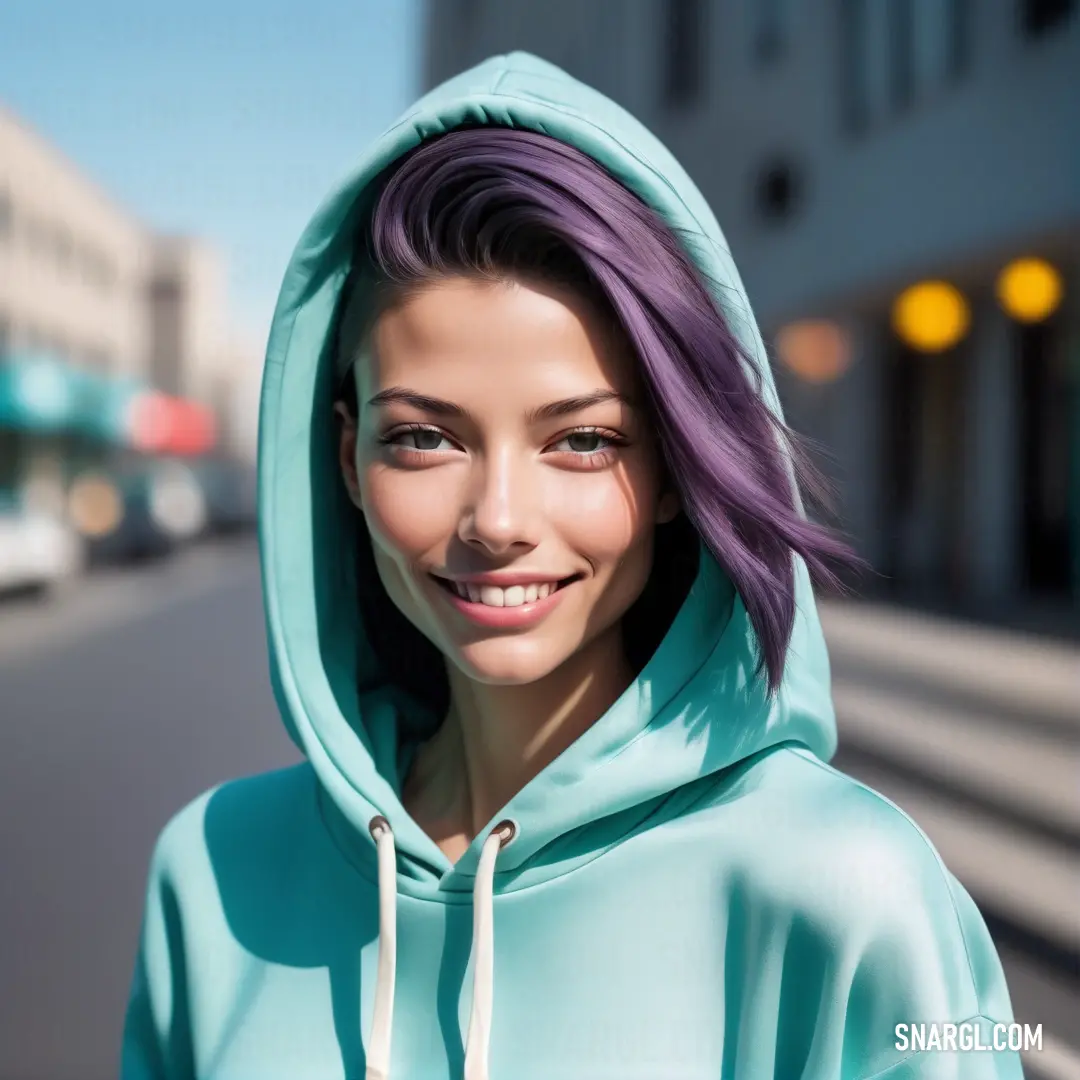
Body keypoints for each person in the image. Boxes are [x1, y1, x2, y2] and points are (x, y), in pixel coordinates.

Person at [121, 53, 1022, 1079]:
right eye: (424, 437)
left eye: (584, 441)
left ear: (676, 465)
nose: (498, 520)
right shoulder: (211, 873)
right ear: (347, 461)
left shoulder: (853, 893)